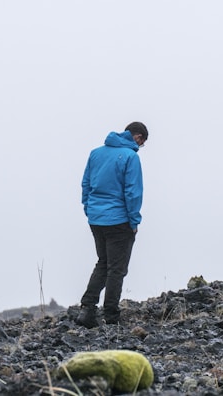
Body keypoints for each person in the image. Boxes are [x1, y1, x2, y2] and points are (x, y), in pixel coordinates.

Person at [75, 121, 149, 328]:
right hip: (119, 220)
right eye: (141, 143)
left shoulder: (96, 153)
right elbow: (133, 192)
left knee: (103, 262)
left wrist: (89, 209)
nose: (140, 147)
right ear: (138, 137)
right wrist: (134, 220)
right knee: (117, 268)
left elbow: (86, 184)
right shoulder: (130, 157)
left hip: (96, 219)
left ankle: (87, 309)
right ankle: (111, 315)